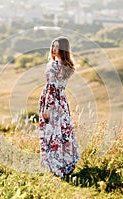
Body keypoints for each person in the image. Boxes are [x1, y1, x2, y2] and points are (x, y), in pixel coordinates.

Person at [39, 36, 80, 178]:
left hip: (52, 101)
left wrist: (48, 108)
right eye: (53, 46)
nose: (54, 49)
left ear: (63, 49)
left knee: (52, 133)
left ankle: (54, 165)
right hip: (62, 102)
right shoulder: (68, 66)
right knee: (62, 132)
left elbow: (52, 87)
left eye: (57, 46)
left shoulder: (54, 65)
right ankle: (65, 163)